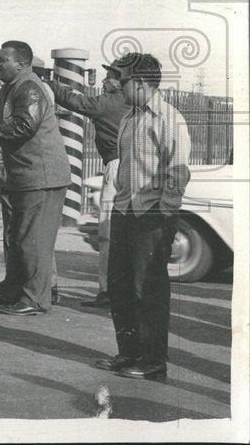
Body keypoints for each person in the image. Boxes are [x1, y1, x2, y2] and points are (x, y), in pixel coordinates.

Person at [96, 53, 190, 380]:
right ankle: (129, 353)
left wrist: (162, 215)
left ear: (139, 83)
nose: (117, 87)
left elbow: (178, 172)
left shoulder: (168, 118)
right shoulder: (129, 117)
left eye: (122, 82)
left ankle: (153, 361)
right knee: (120, 287)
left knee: (147, 290)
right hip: (124, 211)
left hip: (151, 216)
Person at [0, 40, 71, 315]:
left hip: (41, 177)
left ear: (22, 64)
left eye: (3, 60)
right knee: (15, 238)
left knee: (31, 240)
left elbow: (25, 125)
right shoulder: (12, 88)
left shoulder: (30, 88)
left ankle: (34, 299)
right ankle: (11, 293)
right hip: (21, 175)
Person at [47, 58, 128, 308]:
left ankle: (107, 291)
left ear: (121, 81)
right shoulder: (132, 103)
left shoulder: (111, 102)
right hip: (133, 168)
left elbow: (77, 102)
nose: (105, 81)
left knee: (108, 233)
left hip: (116, 166)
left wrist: (50, 84)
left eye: (110, 77)